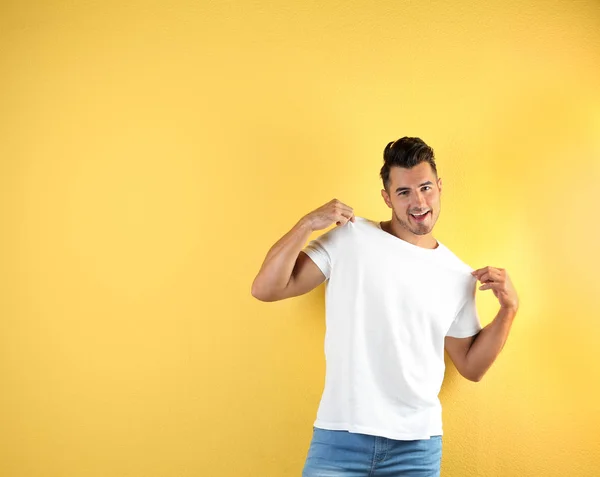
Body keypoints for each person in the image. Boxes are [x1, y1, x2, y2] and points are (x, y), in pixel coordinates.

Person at [251, 137, 519, 477]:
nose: (419, 202)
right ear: (387, 197)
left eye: (425, 188)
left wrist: (508, 311)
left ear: (439, 187)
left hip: (417, 449)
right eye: (404, 192)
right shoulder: (350, 238)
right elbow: (266, 288)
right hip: (340, 439)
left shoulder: (457, 275)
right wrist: (306, 224)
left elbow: (471, 367)